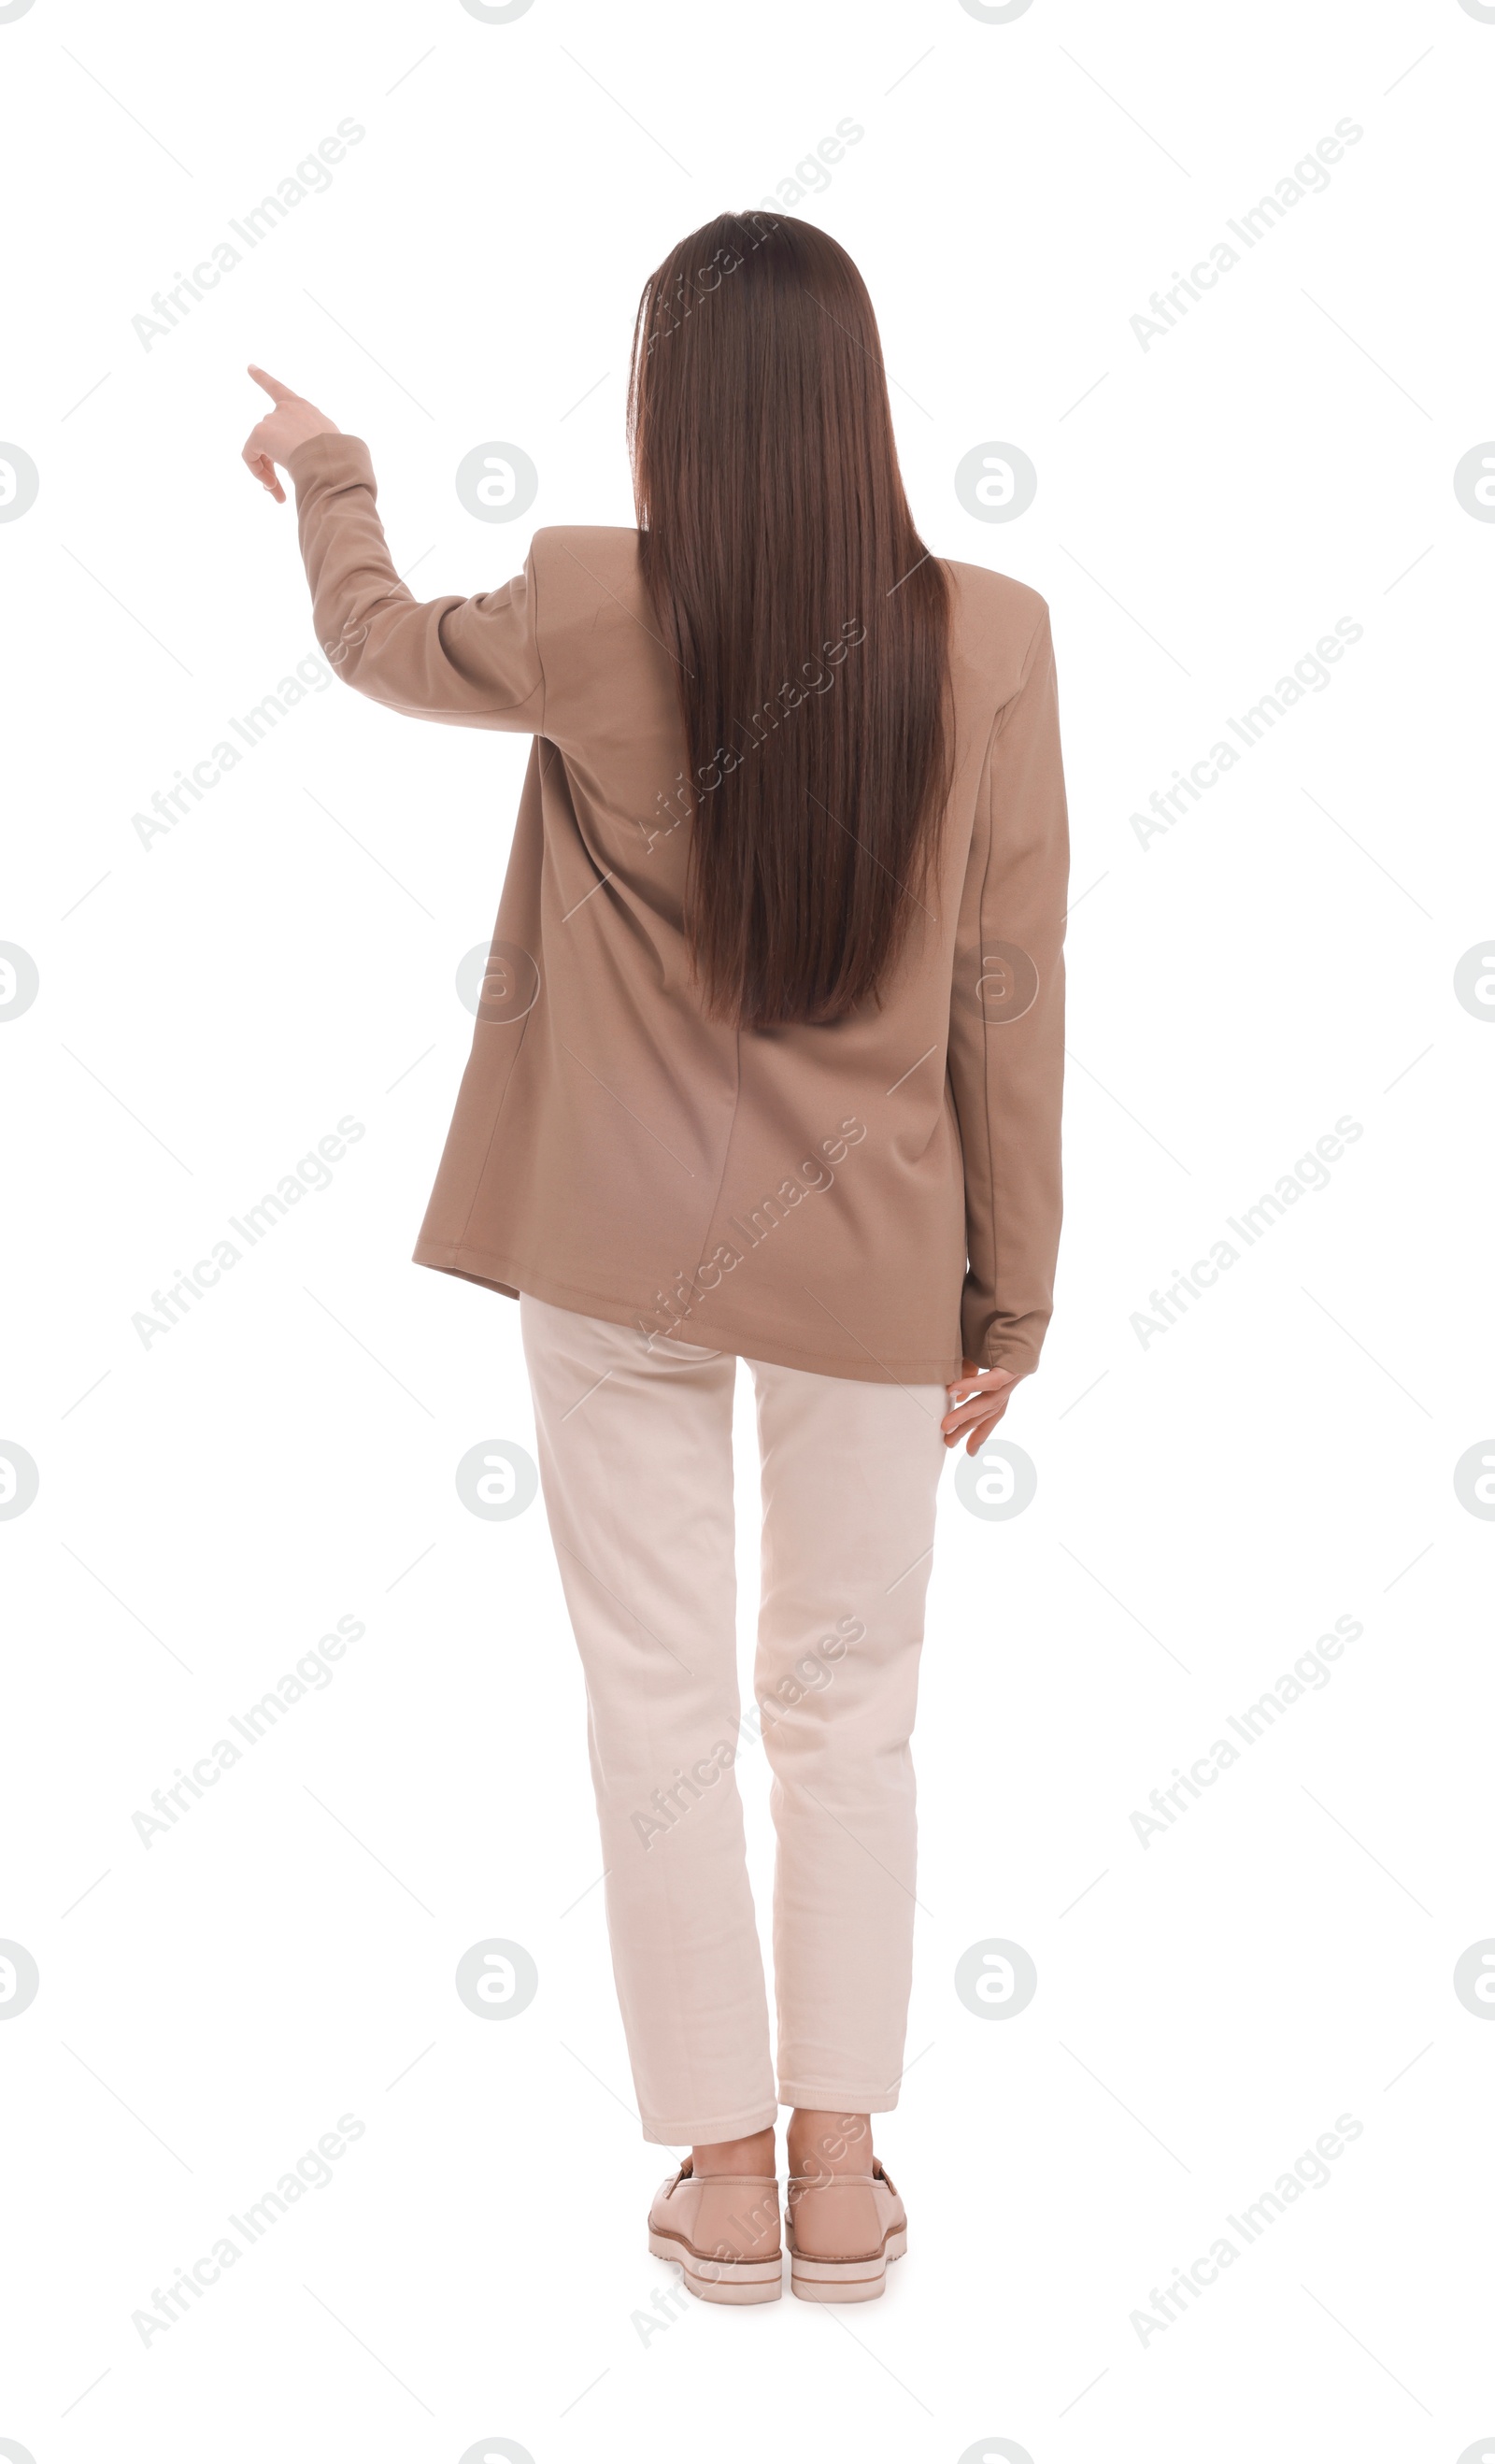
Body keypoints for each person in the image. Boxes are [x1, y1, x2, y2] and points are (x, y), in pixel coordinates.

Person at [241, 210, 1068, 2305]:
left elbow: (376, 643)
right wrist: (1015, 1289)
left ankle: (717, 2173)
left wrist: (332, 473)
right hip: (880, 1264)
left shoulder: (593, 601)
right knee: (849, 1710)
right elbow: (1008, 981)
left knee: (659, 1707)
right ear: (855, 402)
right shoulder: (988, 634)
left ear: (666, 405)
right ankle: (847, 2171)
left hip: (613, 1261)